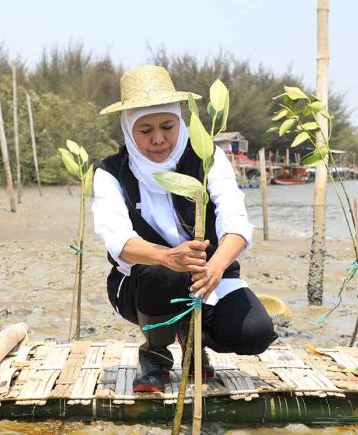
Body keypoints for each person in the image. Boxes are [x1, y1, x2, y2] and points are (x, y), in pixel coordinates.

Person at [92, 65, 277, 393]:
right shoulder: (110, 173)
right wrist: (167, 257)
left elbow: (236, 221)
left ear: (181, 122)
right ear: (128, 131)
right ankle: (155, 354)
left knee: (255, 332)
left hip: (209, 277)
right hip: (141, 286)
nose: (159, 138)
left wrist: (217, 266)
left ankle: (192, 343)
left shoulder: (207, 160)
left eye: (167, 126)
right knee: (161, 273)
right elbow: (118, 239)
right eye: (145, 130)